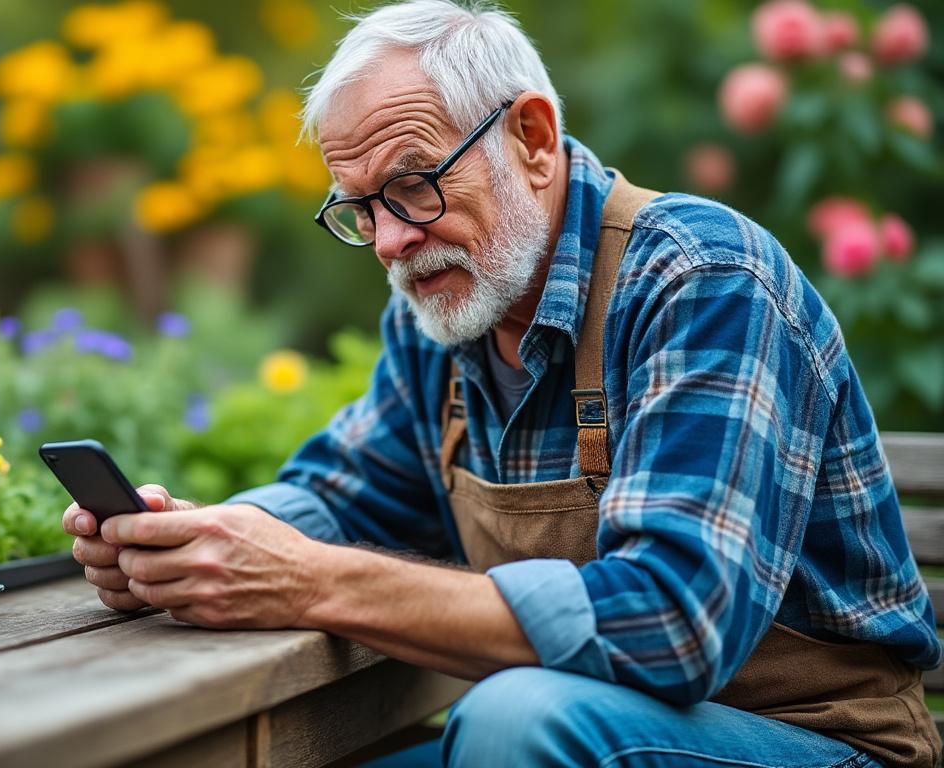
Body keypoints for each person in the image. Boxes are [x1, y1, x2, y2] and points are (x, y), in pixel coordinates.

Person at [62, 1, 941, 765]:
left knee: (516, 720)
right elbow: (340, 498)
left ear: (532, 138)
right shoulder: (448, 314)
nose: (389, 242)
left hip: (816, 742)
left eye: (411, 186)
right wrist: (199, 541)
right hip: (585, 734)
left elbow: (675, 624)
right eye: (359, 207)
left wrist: (308, 581)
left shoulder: (703, 281)